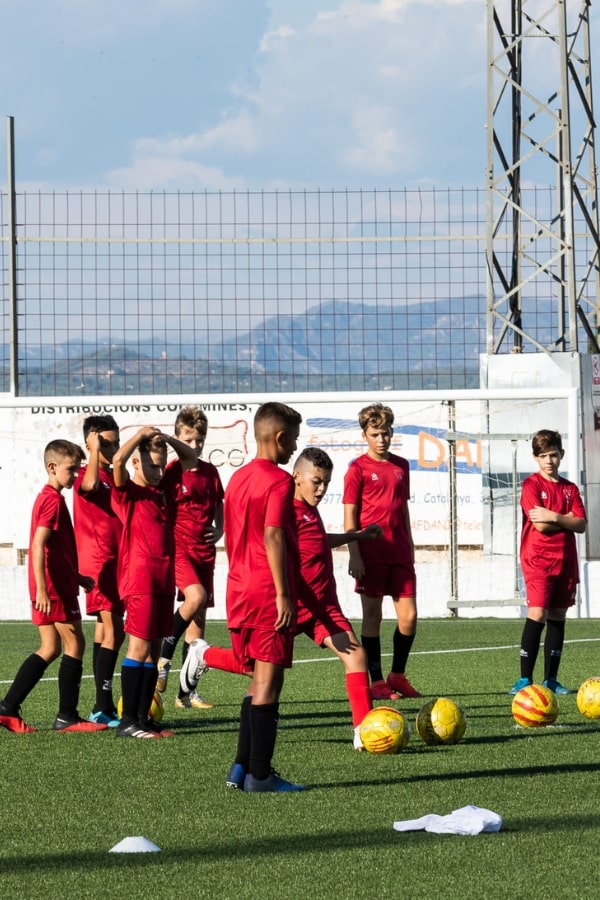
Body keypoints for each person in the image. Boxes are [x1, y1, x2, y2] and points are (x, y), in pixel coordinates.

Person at [181, 401, 304, 792]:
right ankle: (261, 775)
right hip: (266, 589)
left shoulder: (238, 478)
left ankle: (240, 767)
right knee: (269, 682)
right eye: (294, 440)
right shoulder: (280, 481)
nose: (295, 448)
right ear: (280, 438)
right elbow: (272, 534)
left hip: (238, 588)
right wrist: (284, 593)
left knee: (256, 681)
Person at [0, 440, 108, 733]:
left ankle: (7, 708)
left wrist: (75, 576)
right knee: (76, 644)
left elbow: (53, 550)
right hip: (52, 588)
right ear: (52, 467)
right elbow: (38, 545)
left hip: (56, 583)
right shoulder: (52, 500)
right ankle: (67, 716)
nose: (75, 476)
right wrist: (45, 591)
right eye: (71, 470)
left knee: (50, 647)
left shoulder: (48, 497)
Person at [292, 447, 382, 749]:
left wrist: (356, 536)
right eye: (316, 481)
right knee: (252, 666)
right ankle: (204, 654)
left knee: (356, 656)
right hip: (293, 605)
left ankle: (364, 731)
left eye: (326, 483)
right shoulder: (284, 512)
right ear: (297, 477)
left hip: (323, 606)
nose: (321, 489)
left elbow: (318, 541)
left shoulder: (309, 509)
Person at [111, 426, 196, 738]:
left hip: (164, 579)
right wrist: (139, 437)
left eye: (161, 465)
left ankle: (144, 720)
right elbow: (118, 462)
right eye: (151, 465)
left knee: (155, 649)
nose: (159, 472)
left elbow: (191, 457)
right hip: (140, 579)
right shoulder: (127, 493)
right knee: (139, 647)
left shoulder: (163, 487)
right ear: (137, 464)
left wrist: (168, 441)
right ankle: (128, 723)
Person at [343, 403, 421, 701]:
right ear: (365, 435)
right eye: (375, 434)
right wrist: (355, 554)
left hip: (400, 553)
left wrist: (410, 546)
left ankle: (397, 676)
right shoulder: (357, 469)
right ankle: (376, 681)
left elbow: (402, 511)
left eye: (386, 433)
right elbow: (350, 516)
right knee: (373, 617)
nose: (382, 439)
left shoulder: (402, 466)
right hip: (371, 554)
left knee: (409, 617)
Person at [156, 406, 224, 711]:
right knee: (194, 598)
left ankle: (186, 693)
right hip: (179, 549)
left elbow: (219, 504)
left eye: (201, 439)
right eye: (190, 439)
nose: (196, 445)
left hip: (204, 553)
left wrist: (220, 528)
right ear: (179, 438)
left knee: (198, 627)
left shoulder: (210, 472)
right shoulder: (172, 472)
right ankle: (163, 657)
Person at [509, 429, 587, 696]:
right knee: (538, 613)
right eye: (543, 456)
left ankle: (551, 679)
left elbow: (581, 524)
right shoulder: (531, 486)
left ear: (561, 455)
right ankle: (523, 679)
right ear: (535, 458)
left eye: (553, 455)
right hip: (538, 559)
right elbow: (540, 526)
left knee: (558, 615)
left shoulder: (570, 488)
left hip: (565, 560)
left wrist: (555, 516)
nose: (549, 461)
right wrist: (565, 519)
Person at [73, 414, 124, 727]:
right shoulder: (85, 474)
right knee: (115, 630)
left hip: (118, 560)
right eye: (105, 442)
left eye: (115, 441)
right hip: (99, 563)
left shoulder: (111, 474)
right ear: (91, 443)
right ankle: (103, 704)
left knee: (105, 631)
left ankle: (101, 706)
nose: (112, 447)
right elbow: (90, 485)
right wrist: (94, 450)